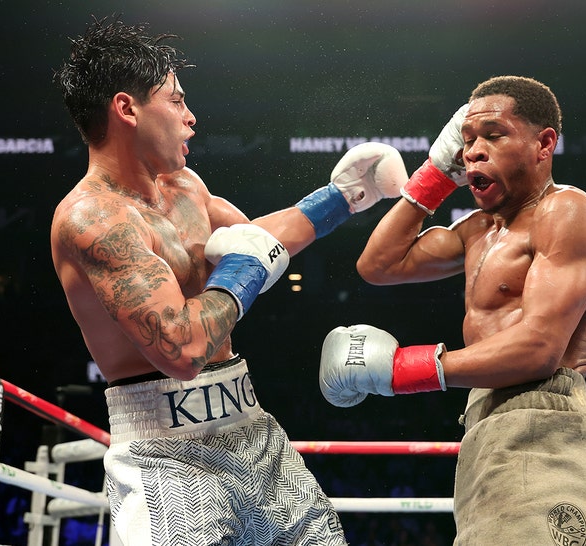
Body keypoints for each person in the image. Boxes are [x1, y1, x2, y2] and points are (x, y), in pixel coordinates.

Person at [50, 16, 407, 546]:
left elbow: (255, 238)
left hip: (251, 428)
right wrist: (242, 271)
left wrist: (345, 197)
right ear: (126, 109)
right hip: (164, 455)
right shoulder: (92, 220)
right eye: (175, 101)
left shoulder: (185, 187)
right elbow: (182, 348)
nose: (191, 117)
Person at [319, 75, 586, 544]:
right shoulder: (477, 230)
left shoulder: (567, 213)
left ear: (544, 144)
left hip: (544, 421)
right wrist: (433, 176)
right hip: (486, 419)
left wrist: (401, 370)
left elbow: (539, 348)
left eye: (494, 135)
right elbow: (378, 265)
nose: (473, 151)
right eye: (465, 142)